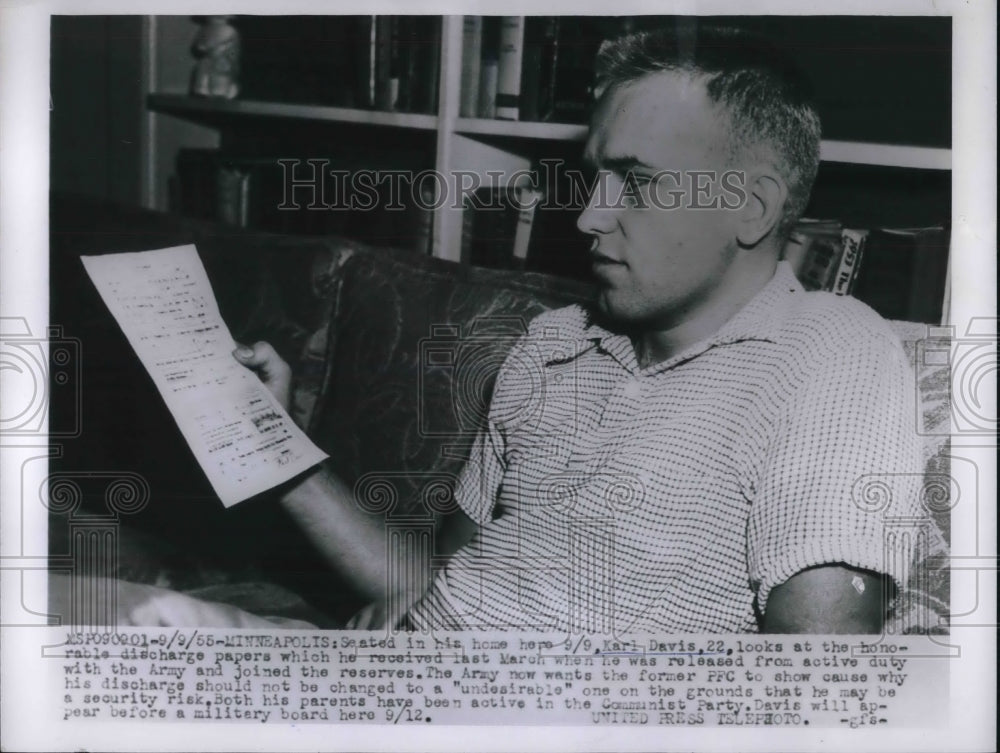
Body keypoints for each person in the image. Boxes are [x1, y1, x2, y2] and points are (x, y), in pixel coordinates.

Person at [123, 25, 926, 633]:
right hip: (376, 675)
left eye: (635, 183)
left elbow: (818, 683)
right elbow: (435, 583)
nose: (587, 216)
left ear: (750, 208)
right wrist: (277, 448)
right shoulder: (552, 345)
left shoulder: (830, 351)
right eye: (592, 177)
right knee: (87, 621)